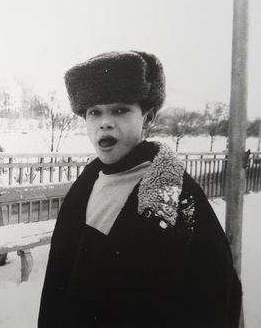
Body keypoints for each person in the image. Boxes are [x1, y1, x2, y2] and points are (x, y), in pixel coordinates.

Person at [38, 51, 242, 327]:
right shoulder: (89, 180)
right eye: (94, 112)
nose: (105, 122)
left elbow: (218, 298)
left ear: (148, 117)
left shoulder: (173, 198)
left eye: (121, 109)